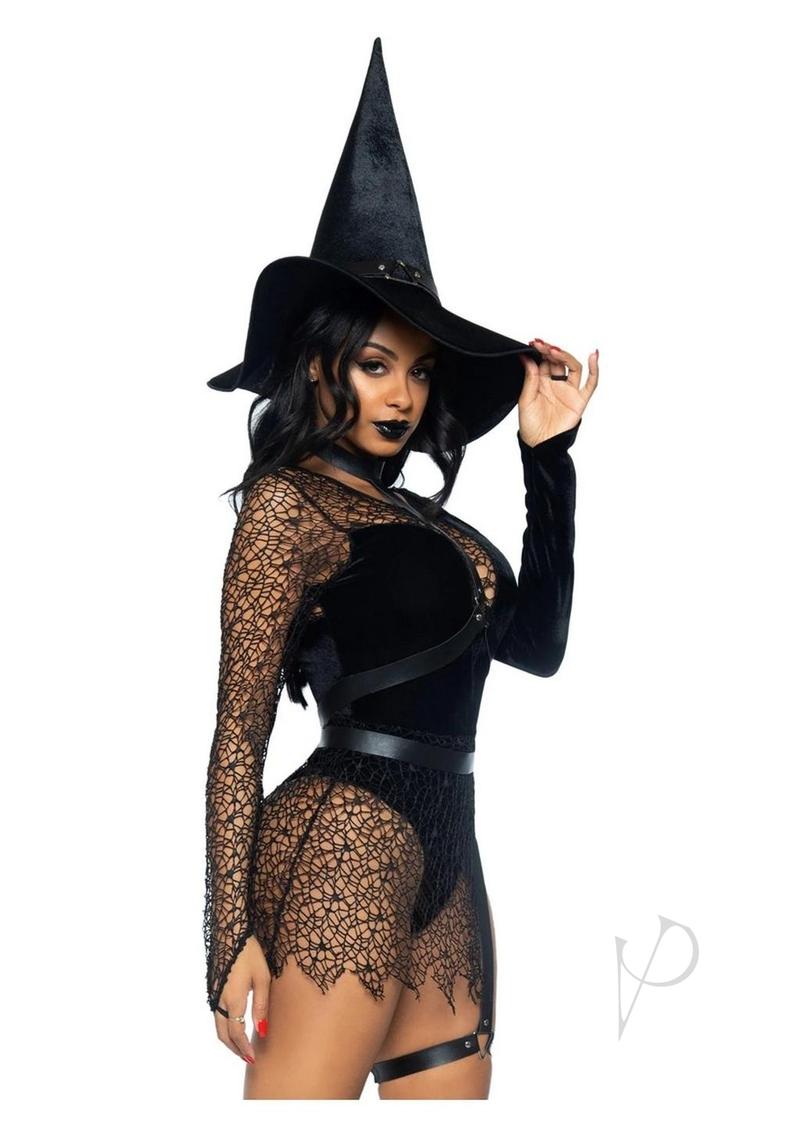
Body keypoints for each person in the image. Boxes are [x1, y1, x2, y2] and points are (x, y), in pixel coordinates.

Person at [202, 39, 598, 1100]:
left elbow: (539, 646)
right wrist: (225, 938)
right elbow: (239, 728)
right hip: (342, 841)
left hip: (450, 850)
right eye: (376, 364)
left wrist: (547, 457)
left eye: (419, 373)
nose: (403, 396)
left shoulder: (436, 527)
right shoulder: (288, 506)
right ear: (319, 360)